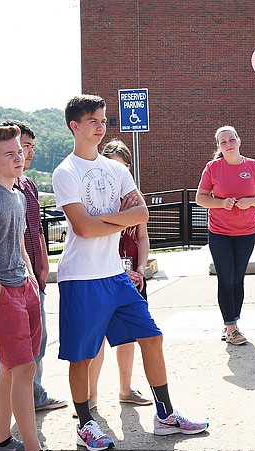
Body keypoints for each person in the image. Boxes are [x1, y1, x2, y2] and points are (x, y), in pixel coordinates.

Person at [52, 94, 208, 451]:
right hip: (81, 277)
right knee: (83, 355)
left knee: (152, 337)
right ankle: (85, 424)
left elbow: (142, 216)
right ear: (75, 126)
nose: (101, 126)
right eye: (94, 120)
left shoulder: (118, 169)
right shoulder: (66, 172)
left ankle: (165, 415)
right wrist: (115, 219)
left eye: (104, 120)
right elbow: (84, 229)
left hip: (115, 275)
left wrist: (103, 220)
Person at [0, 124, 72, 451]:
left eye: (20, 151)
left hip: (22, 286)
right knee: (24, 368)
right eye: (9, 154)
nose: (19, 157)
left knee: (12, 367)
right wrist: (1, 295)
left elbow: (22, 242)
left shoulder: (19, 192)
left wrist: (28, 277)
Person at [78, 139, 153, 414]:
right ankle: (91, 395)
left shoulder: (136, 198)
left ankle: (126, 389)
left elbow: (143, 238)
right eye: (113, 167)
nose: (118, 173)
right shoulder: (95, 201)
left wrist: (141, 268)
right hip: (104, 275)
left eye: (124, 167)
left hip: (133, 277)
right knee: (95, 339)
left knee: (129, 336)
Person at [196, 126, 255, 345]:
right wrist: (221, 203)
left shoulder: (254, 166)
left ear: (239, 141)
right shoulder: (212, 168)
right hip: (219, 232)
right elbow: (201, 197)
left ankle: (232, 322)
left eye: (231, 140)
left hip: (246, 232)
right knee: (225, 278)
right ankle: (231, 328)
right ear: (219, 146)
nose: (228, 145)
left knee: (238, 279)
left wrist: (250, 201)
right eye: (223, 142)